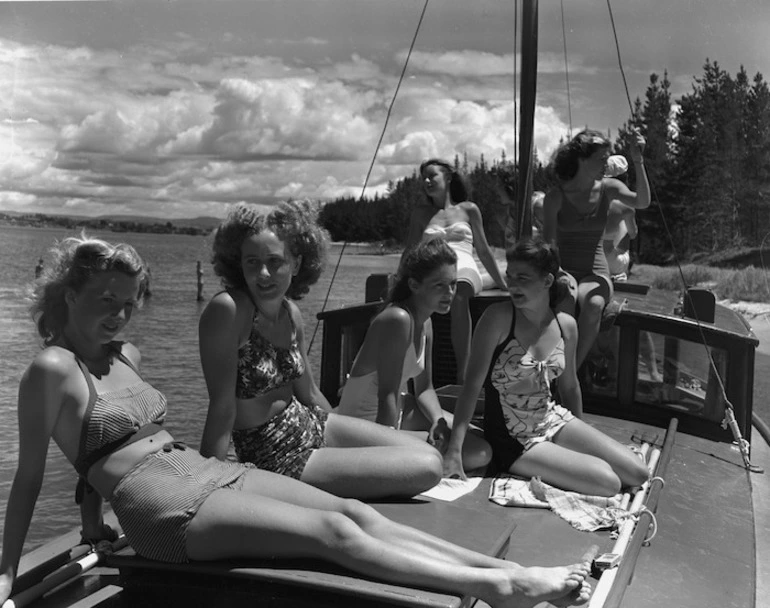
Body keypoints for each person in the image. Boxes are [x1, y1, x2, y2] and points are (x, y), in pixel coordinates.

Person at [0, 233, 593, 608]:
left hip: (196, 467)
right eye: (106, 299)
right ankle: (498, 589)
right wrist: (6, 573)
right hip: (155, 501)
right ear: (68, 292)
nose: (120, 314)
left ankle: (504, 568)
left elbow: (85, 451)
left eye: (130, 302)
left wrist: (89, 524)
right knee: (328, 537)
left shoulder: (127, 354)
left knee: (352, 512)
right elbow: (34, 476)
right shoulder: (52, 367)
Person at [198, 201, 442, 500]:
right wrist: (207, 490)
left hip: (312, 425)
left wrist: (343, 436)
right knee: (428, 468)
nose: (263, 274)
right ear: (239, 263)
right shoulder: (228, 311)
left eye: (275, 262)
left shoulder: (291, 314)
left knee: (428, 452)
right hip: (276, 456)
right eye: (252, 262)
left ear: (297, 263)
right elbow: (222, 407)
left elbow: (310, 393)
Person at [442, 237, 649, 497]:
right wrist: (454, 451)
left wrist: (580, 443)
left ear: (547, 281)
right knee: (608, 482)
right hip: (514, 440)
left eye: (523, 278)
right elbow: (471, 388)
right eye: (509, 277)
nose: (512, 285)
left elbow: (570, 386)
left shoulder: (566, 325)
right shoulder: (498, 318)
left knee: (638, 472)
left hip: (553, 419)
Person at [337, 238, 492, 472]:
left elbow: (424, 388)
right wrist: (387, 452)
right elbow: (386, 394)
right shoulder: (397, 320)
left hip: (398, 410)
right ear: (414, 284)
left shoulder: (426, 322)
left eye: (452, 284)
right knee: (479, 454)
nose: (449, 293)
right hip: (366, 424)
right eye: (439, 285)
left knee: (472, 437)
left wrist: (438, 422)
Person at [543, 130, 650, 368]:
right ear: (582, 160)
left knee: (593, 304)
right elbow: (547, 244)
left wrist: (638, 159)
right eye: (601, 158)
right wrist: (556, 272)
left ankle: (570, 371)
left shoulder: (609, 188)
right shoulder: (555, 197)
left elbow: (642, 201)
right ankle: (559, 366)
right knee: (566, 298)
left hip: (597, 271)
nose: (606, 163)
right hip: (564, 269)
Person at [405, 158, 507, 383]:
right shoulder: (421, 213)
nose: (427, 181)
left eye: (433, 175)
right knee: (412, 302)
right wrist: (400, 279)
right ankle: (414, 373)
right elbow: (411, 250)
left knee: (458, 292)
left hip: (463, 265)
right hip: (433, 268)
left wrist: (502, 282)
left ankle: (464, 373)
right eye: (424, 178)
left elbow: (483, 249)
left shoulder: (469, 209)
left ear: (448, 177)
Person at [601, 155, 637, 282]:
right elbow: (633, 234)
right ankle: (620, 274)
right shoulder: (626, 205)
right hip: (612, 261)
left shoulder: (590, 199)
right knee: (627, 230)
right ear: (625, 179)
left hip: (591, 258)